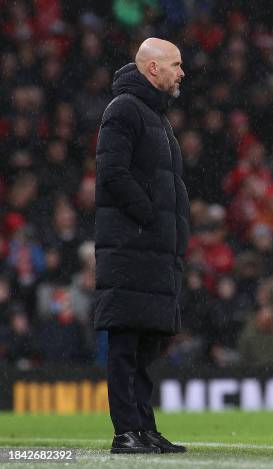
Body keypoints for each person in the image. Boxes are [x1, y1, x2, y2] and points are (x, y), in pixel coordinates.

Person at [94, 37, 189, 454]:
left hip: (155, 252)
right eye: (175, 64)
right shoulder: (124, 110)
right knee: (126, 342)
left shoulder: (158, 119)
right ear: (152, 68)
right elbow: (111, 172)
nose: (181, 72)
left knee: (147, 344)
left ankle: (144, 427)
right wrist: (149, 217)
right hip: (131, 249)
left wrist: (175, 238)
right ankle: (125, 432)